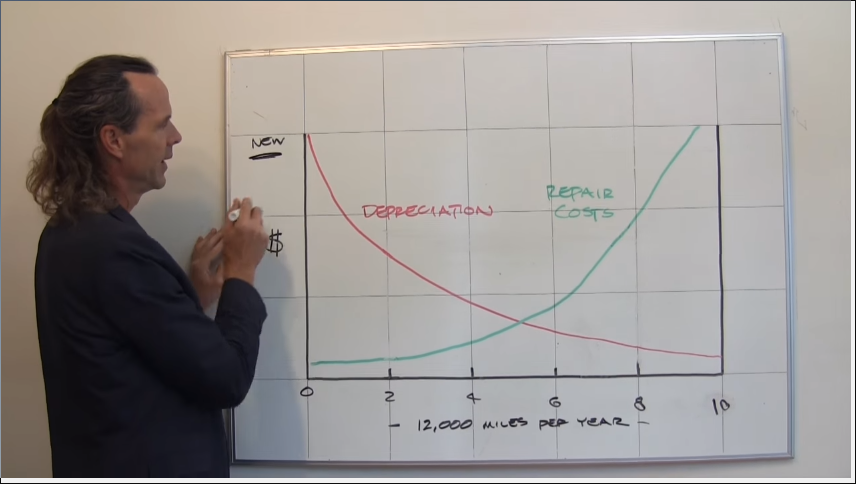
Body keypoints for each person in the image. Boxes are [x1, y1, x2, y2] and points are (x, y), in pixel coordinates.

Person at [25, 54, 270, 478]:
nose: (175, 137)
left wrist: (192, 299)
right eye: (162, 125)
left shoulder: (70, 232)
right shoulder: (111, 249)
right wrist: (241, 271)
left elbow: (125, 349)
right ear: (114, 140)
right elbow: (227, 379)